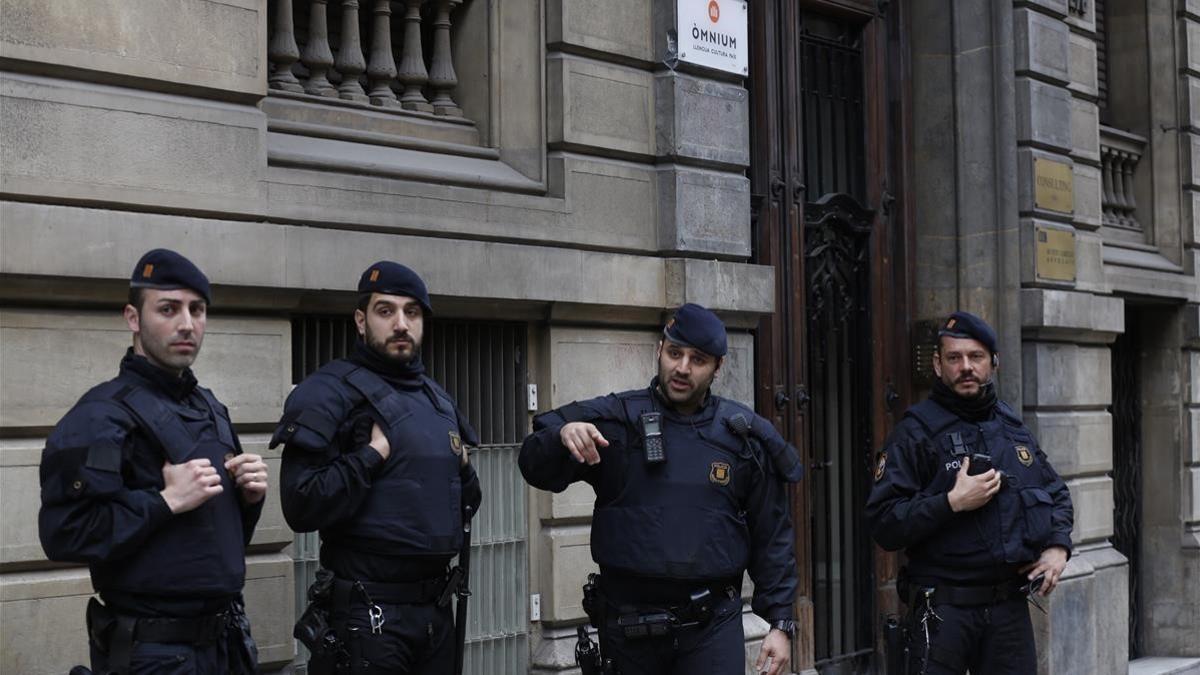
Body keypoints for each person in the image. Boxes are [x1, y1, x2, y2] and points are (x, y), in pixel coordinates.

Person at [519, 303, 803, 675]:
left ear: (718, 367)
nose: (682, 368)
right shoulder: (617, 419)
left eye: (697, 359)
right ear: (659, 350)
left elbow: (772, 534)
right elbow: (533, 464)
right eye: (674, 353)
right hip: (628, 631)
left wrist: (781, 623)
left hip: (711, 629)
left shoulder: (742, 439)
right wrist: (560, 436)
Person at [39, 248, 266, 675]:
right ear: (133, 318)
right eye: (168, 309)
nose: (187, 324)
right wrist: (165, 501)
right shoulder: (100, 416)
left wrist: (247, 498)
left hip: (226, 644)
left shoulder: (211, 409)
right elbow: (64, 534)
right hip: (154, 654)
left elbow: (214, 543)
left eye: (197, 310)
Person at [274, 261, 482, 674]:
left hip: (435, 616)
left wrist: (466, 471)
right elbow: (301, 505)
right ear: (360, 320)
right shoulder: (329, 392)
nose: (401, 323)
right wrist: (370, 457)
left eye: (412, 312)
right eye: (386, 311)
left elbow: (465, 503)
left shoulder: (438, 402)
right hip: (368, 617)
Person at [866, 311, 1074, 675]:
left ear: (993, 363)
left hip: (1009, 612)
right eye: (954, 357)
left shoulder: (1012, 428)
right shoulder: (915, 433)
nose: (965, 367)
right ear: (937, 364)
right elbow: (884, 522)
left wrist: (1058, 547)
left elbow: (1055, 492)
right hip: (945, 612)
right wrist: (951, 502)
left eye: (975, 357)